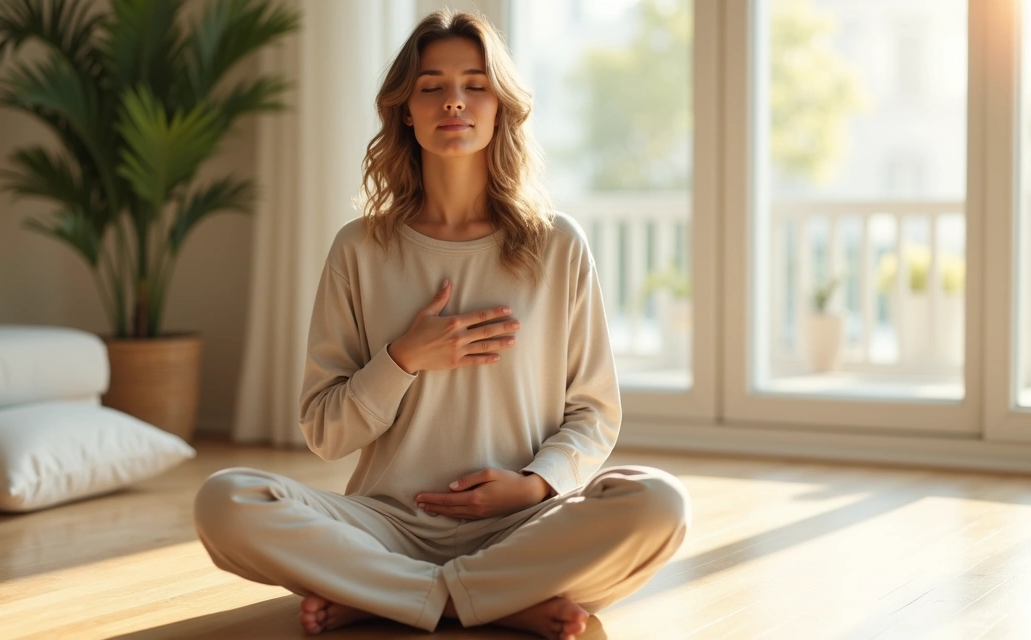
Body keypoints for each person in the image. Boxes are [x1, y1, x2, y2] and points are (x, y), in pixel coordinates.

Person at [194, 9, 690, 640]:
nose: (454, 101)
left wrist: (534, 487)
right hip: (385, 526)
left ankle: (385, 596)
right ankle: (492, 600)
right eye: (431, 86)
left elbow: (594, 414)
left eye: (475, 84)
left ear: (500, 105)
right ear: (406, 109)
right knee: (225, 501)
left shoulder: (558, 244)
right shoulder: (359, 250)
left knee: (660, 504)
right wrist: (402, 359)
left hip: (522, 528)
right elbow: (324, 429)